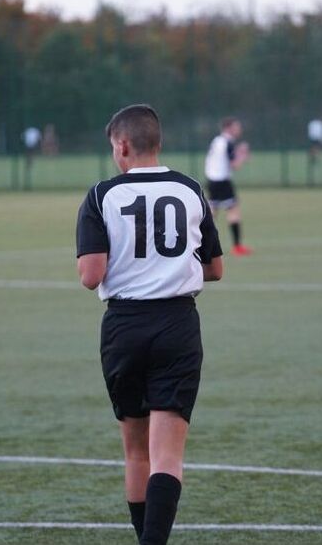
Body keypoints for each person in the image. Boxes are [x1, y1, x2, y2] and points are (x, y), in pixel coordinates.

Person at [76, 104, 223, 545]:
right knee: (167, 456)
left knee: (136, 452)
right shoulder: (190, 189)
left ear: (122, 146)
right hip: (177, 324)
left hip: (124, 327)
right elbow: (215, 268)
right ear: (157, 142)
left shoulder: (102, 195)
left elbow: (90, 276)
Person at [204, 117, 252, 256]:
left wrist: (239, 152)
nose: (239, 129)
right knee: (233, 211)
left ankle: (201, 244)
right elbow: (235, 165)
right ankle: (237, 246)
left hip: (212, 180)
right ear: (229, 128)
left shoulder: (217, 140)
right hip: (222, 181)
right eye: (236, 127)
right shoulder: (228, 142)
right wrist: (243, 155)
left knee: (211, 213)